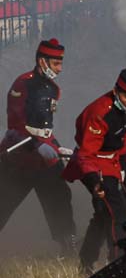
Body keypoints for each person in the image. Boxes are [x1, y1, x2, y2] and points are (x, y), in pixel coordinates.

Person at [0, 38, 76, 255]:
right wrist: (37, 145)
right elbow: (15, 123)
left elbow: (45, 127)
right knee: (3, 203)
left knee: (60, 198)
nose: (59, 69)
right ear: (42, 61)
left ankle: (67, 244)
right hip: (19, 157)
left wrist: (56, 146)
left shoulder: (54, 89)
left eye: (60, 63)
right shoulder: (23, 84)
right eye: (55, 64)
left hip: (45, 158)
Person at [63, 69, 126, 272]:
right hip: (94, 164)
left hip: (112, 162)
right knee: (118, 213)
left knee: (102, 215)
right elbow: (86, 154)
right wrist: (93, 181)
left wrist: (121, 164)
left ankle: (86, 262)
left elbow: (122, 135)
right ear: (116, 90)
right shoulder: (99, 113)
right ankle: (118, 262)